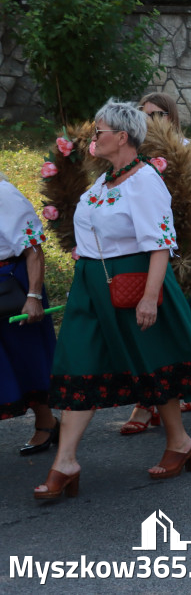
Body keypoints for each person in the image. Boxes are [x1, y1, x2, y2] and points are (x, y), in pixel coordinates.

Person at [34, 101, 191, 500]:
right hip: (91, 286)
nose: (93, 138)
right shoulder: (102, 184)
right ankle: (65, 462)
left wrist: (150, 298)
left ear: (122, 137)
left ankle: (180, 443)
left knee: (152, 364)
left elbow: (159, 244)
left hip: (134, 283)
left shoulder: (144, 179)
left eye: (99, 132)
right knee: (78, 364)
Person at [119, 92, 191, 434]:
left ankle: (185, 389)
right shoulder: (128, 154)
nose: (151, 121)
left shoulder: (186, 150)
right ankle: (145, 402)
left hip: (185, 245)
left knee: (179, 319)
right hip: (141, 247)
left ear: (171, 117)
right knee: (147, 322)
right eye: (144, 114)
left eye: (159, 114)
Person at [0, 175, 59, 455]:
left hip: (11, 286)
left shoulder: (3, 194)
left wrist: (33, 297)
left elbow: (33, 247)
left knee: (26, 354)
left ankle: (46, 423)